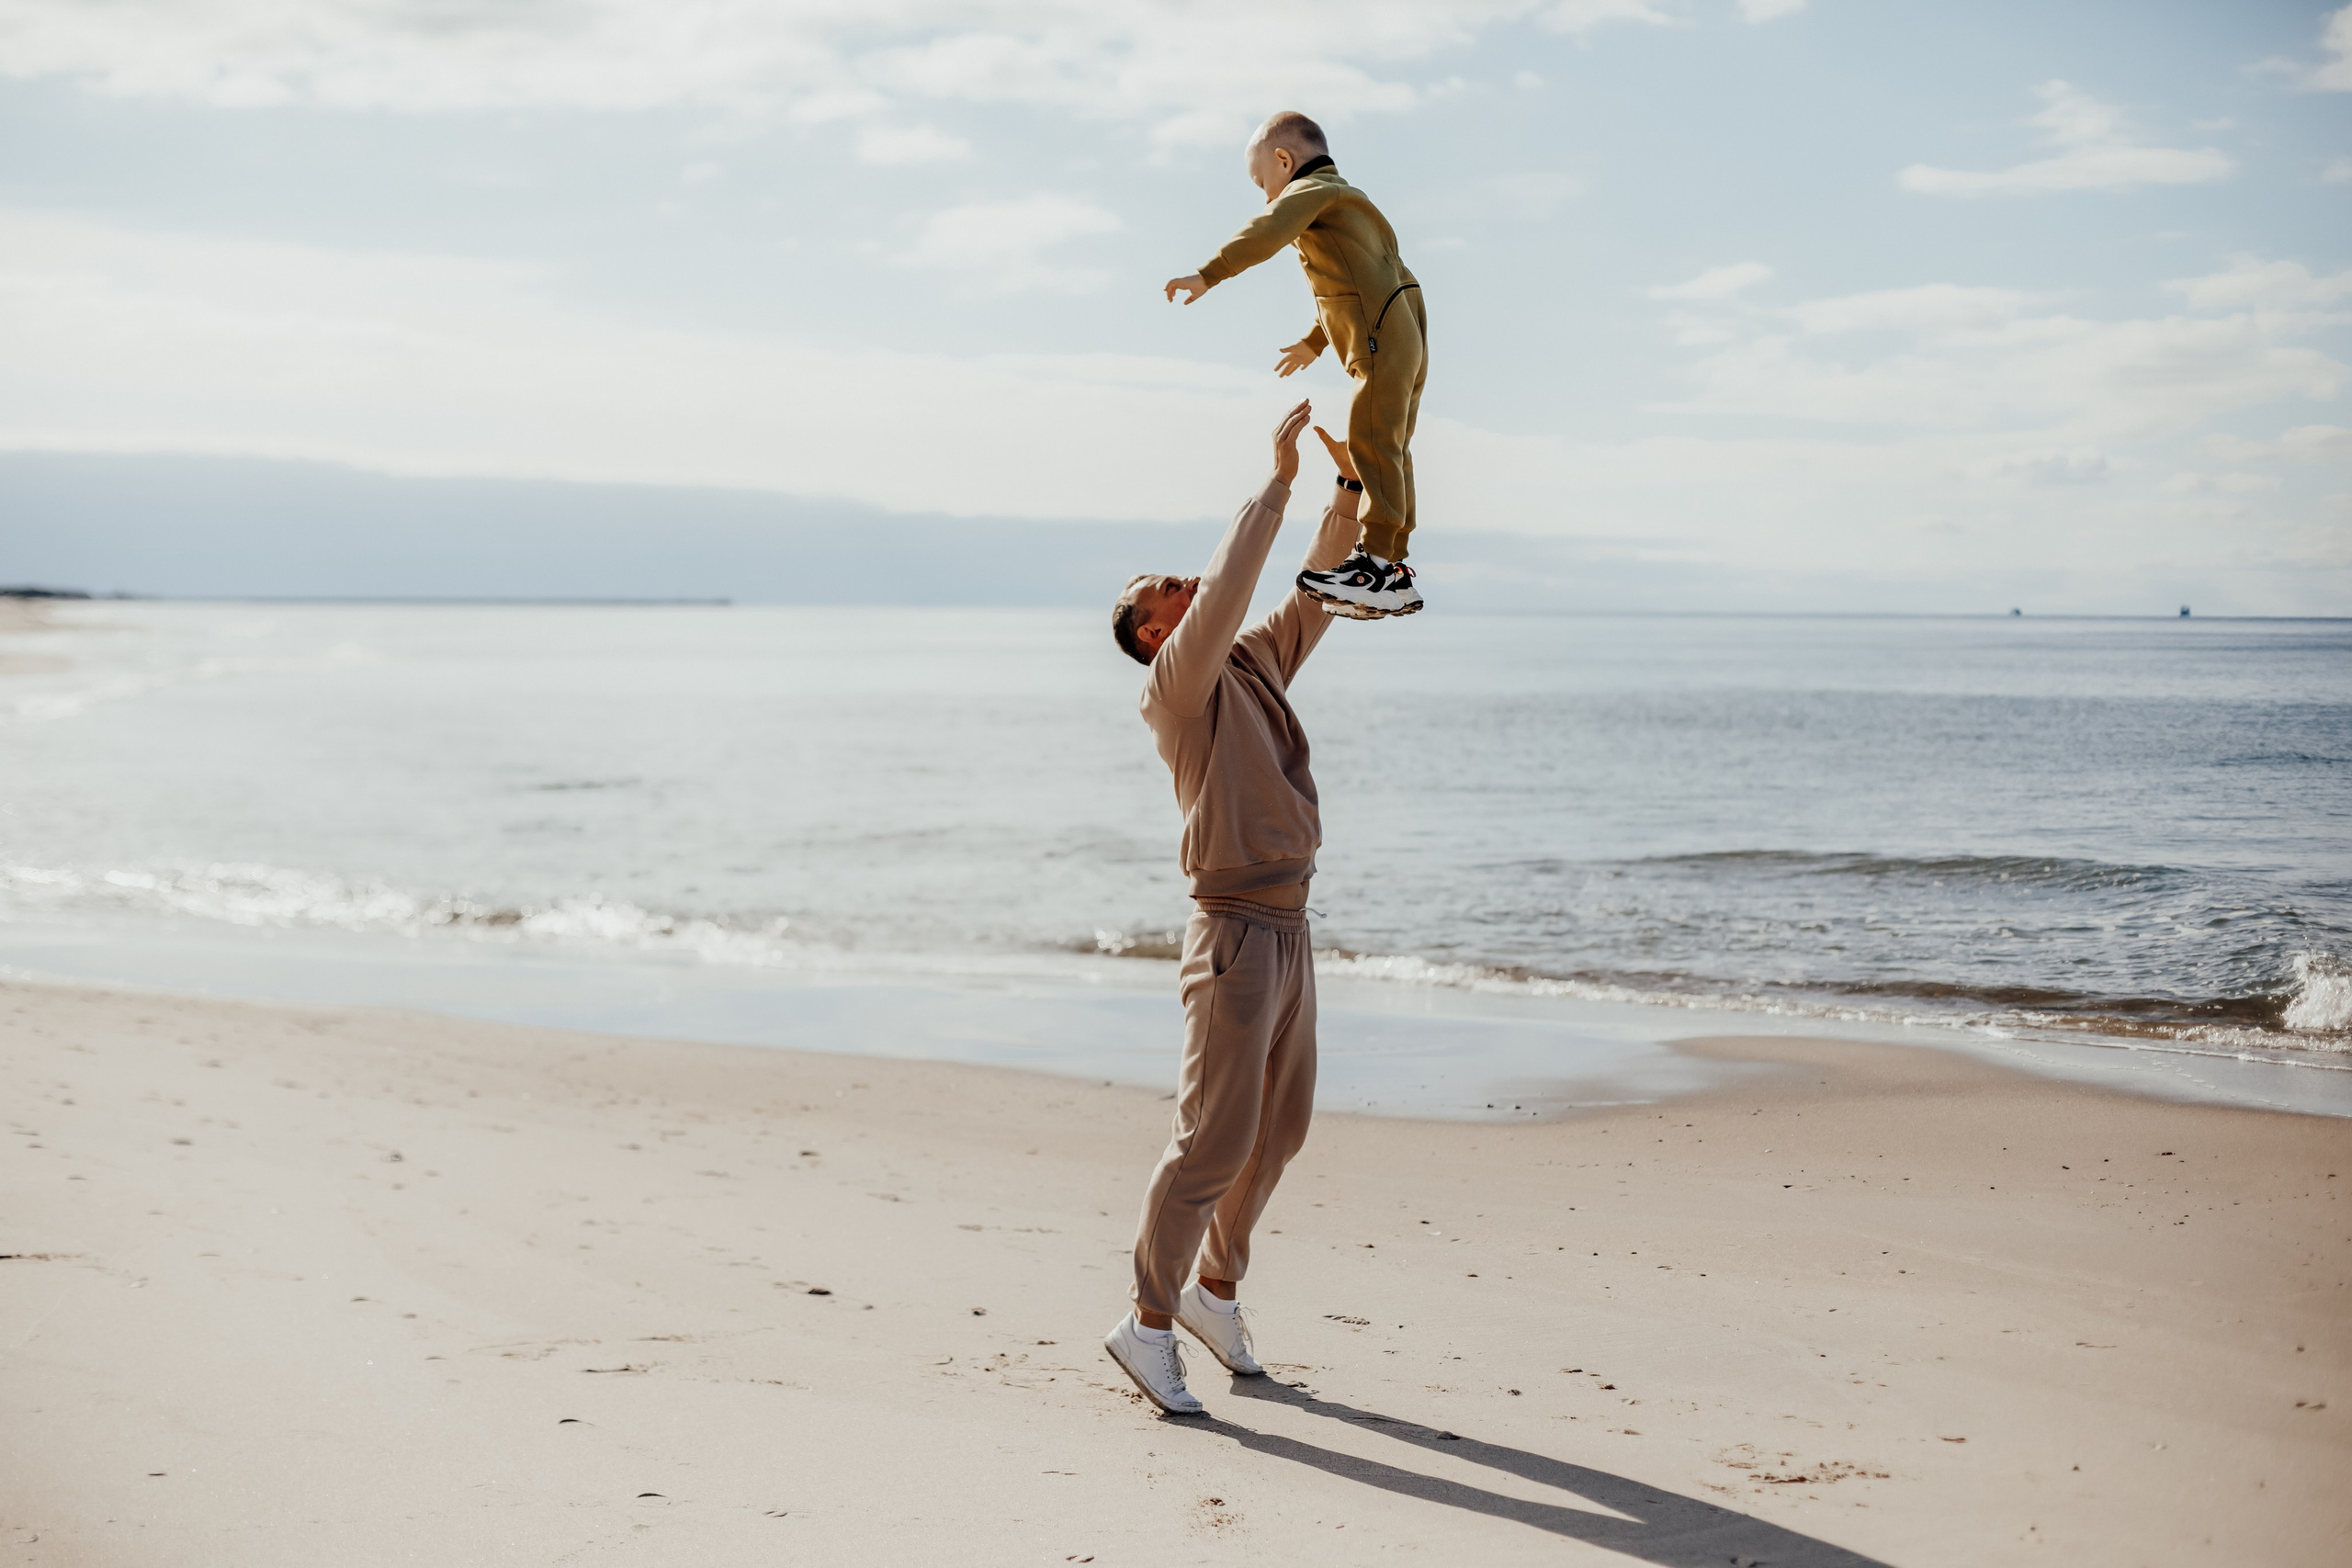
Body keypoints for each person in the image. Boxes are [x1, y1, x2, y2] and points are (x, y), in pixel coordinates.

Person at [1101, 399, 1363, 1416]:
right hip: (1233, 935)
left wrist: (1345, 493)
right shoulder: (1173, 690)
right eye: (1162, 589)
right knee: (1211, 1137)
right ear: (1157, 633)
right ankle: (1146, 1321)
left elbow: (1313, 595)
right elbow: (1236, 588)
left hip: (1291, 928)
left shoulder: (1253, 662)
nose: (1180, 582)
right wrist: (1277, 479)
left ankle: (1215, 1292)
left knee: (1278, 1133)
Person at [1164, 110, 1428, 621]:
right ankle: (1393, 570)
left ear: (1284, 162)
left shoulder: (1310, 194)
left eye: (1263, 182)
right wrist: (1314, 341)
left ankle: (1371, 564)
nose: (1266, 196)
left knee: (1370, 439)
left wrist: (1208, 274)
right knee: (1391, 445)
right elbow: (1354, 283)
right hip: (1402, 331)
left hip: (1378, 337)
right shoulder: (1352, 203)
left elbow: (1269, 230)